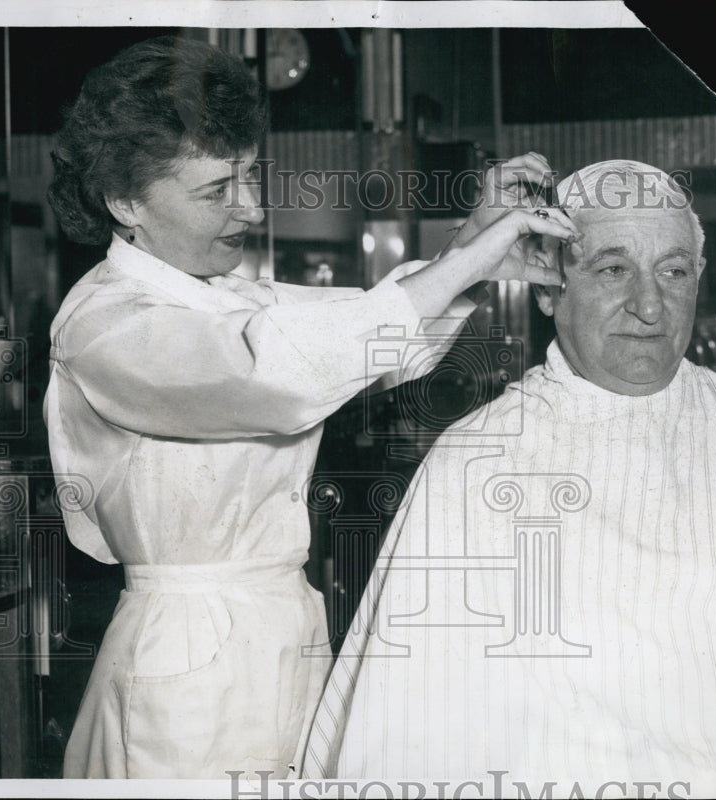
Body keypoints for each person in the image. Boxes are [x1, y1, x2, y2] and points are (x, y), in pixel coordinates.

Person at [43, 35, 576, 779]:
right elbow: (276, 376)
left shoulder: (227, 295)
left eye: (251, 177)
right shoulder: (105, 325)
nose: (252, 207)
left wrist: (475, 241)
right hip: (185, 671)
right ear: (124, 200)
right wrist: (465, 262)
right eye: (216, 190)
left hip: (284, 637)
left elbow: (368, 336)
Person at [303, 160, 716, 792]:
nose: (649, 305)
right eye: (613, 269)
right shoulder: (477, 460)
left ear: (699, 281)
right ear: (548, 288)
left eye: (674, 271)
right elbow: (420, 738)